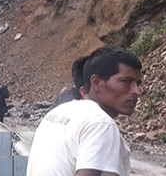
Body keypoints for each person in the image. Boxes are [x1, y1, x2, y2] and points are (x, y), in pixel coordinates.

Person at [26, 46, 142, 176]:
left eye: (138, 84)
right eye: (126, 81)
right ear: (96, 83)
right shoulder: (101, 123)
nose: (137, 91)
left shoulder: (58, 112)